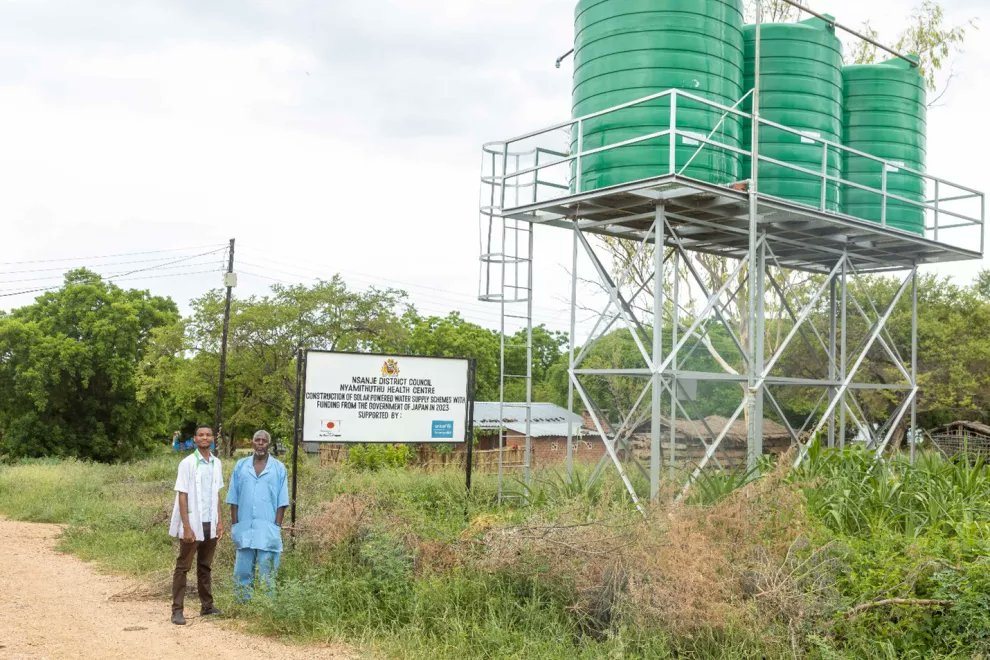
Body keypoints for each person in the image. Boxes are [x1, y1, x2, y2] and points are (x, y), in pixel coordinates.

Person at [168, 424, 224, 625]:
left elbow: (216, 494)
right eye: (201, 435)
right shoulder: (188, 463)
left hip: (210, 522)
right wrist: (187, 526)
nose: (205, 438)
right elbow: (182, 495)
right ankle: (177, 610)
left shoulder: (216, 463)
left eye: (208, 435)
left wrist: (220, 521)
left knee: (205, 566)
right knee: (183, 566)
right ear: (194, 439)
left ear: (212, 439)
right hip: (193, 522)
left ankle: (207, 607)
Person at [226, 429, 289, 600]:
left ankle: (267, 606)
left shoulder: (278, 468)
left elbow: (282, 500)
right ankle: (242, 603)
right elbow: (233, 497)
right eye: (257, 440)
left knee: (268, 570)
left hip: (267, 526)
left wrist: (276, 525)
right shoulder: (241, 466)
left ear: (269, 444)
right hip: (244, 525)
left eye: (264, 440)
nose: (260, 443)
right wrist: (235, 524)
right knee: (243, 570)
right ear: (252, 442)